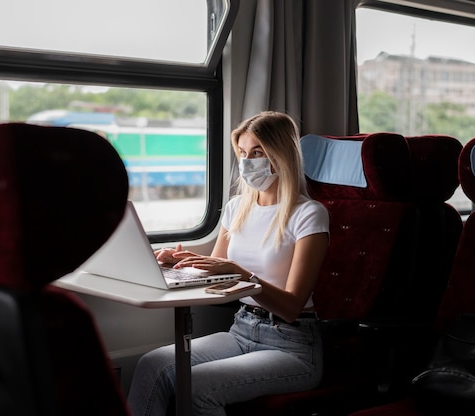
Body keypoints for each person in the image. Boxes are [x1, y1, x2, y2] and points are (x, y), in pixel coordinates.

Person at [127, 111, 330, 416]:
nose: (248, 162)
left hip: (291, 344)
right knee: (152, 365)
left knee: (194, 387)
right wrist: (179, 263)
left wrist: (242, 274)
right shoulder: (237, 207)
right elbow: (216, 273)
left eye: (258, 152)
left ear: (281, 154)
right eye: (243, 153)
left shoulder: (309, 214)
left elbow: (291, 306)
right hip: (242, 328)